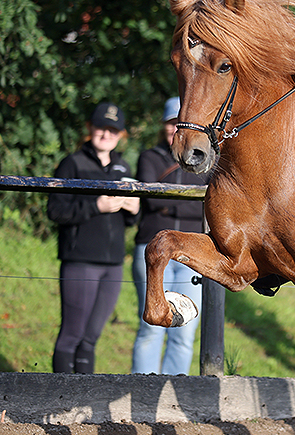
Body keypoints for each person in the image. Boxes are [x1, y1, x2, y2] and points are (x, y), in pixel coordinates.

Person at [47, 102, 140, 374]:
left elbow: (128, 219)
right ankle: (58, 399)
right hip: (80, 260)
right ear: (90, 128)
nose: (106, 134)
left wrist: (134, 211)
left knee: (90, 339)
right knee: (72, 335)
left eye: (113, 130)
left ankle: (83, 402)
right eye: (101, 127)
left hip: (112, 265)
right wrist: (94, 207)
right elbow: (56, 210)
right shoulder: (72, 164)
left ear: (120, 134)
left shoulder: (123, 168)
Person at [131, 97, 210, 375]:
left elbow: (210, 205)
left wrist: (170, 200)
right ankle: (141, 384)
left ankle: (174, 386)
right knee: (150, 327)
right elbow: (152, 201)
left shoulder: (205, 162)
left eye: (180, 123)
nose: (175, 129)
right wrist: (192, 203)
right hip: (152, 250)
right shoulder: (149, 158)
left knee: (185, 330)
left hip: (191, 254)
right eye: (170, 123)